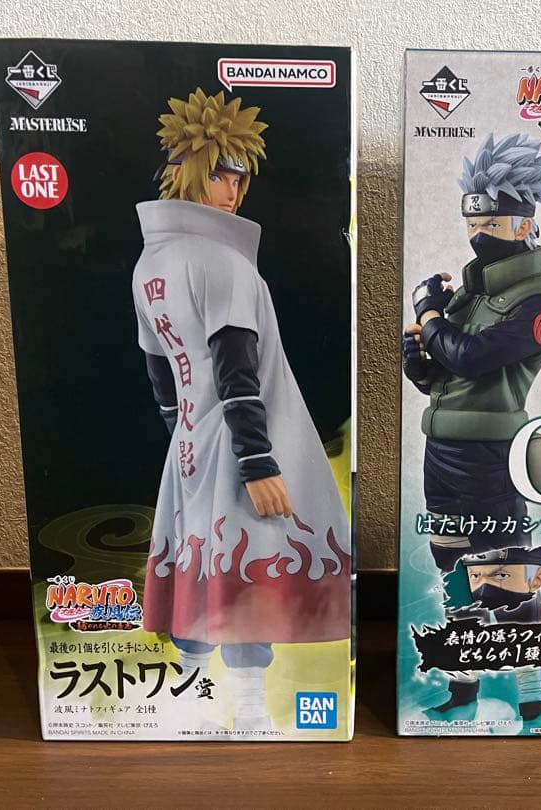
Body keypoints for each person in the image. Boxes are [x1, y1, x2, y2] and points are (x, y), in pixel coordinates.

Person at [131, 88, 350, 731]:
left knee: (200, 566)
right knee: (250, 563)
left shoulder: (148, 265)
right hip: (242, 440)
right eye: (221, 174)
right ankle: (244, 712)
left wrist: (182, 437)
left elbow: (161, 376)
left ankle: (192, 706)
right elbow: (237, 369)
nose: (231, 190)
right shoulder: (222, 261)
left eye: (238, 178)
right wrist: (257, 459)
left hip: (191, 443)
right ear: (187, 172)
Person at [402, 132, 541, 716]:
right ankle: (463, 685)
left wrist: (428, 315)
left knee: (508, 573)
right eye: (474, 220)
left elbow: (472, 358)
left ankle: (532, 691)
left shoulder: (540, 301)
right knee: (453, 571)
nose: (480, 232)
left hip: (492, 454)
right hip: (441, 449)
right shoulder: (469, 296)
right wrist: (418, 360)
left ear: (525, 224)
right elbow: (444, 376)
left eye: (493, 221)